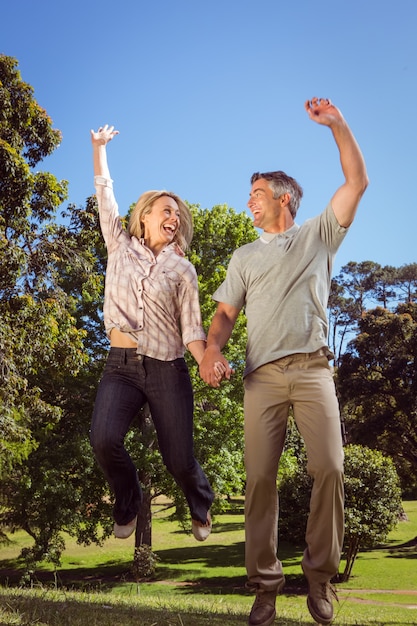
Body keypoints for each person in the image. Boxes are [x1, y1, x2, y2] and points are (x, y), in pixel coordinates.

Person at [199, 97, 368, 626]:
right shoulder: (243, 257)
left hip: (315, 370)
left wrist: (337, 124)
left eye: (256, 194)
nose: (248, 202)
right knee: (259, 481)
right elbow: (225, 314)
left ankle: (319, 580)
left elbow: (356, 181)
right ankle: (265, 586)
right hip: (262, 379)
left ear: (284, 197)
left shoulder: (318, 234)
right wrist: (212, 348)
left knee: (330, 468)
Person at [90, 124, 218, 543]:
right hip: (121, 365)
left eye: (176, 213)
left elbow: (193, 330)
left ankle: (201, 502)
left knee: (179, 459)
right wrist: (99, 149)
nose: (173, 216)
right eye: (165, 210)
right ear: (144, 215)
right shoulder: (120, 246)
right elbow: (105, 197)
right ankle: (128, 501)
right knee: (104, 439)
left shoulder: (183, 270)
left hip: (168, 369)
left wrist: (207, 361)